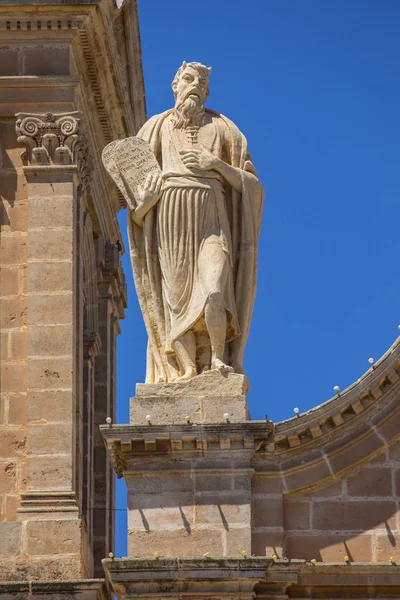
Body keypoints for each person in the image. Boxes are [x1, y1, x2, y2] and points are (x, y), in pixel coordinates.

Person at [126, 61, 264, 384]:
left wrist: (215, 164)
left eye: (202, 83)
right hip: (170, 221)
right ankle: (185, 370)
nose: (196, 87)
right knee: (174, 302)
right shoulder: (154, 130)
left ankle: (219, 359)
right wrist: (144, 205)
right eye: (189, 79)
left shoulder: (224, 129)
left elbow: (254, 187)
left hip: (212, 219)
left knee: (215, 287)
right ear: (175, 85)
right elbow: (134, 209)